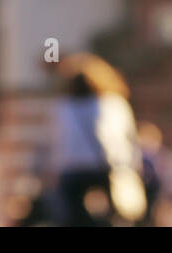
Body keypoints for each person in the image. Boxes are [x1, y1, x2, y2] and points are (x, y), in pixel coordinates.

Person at [48, 55, 145, 226]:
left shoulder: (63, 107)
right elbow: (130, 141)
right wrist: (133, 168)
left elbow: (57, 142)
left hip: (72, 170)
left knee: (74, 219)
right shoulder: (114, 103)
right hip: (106, 168)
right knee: (115, 218)